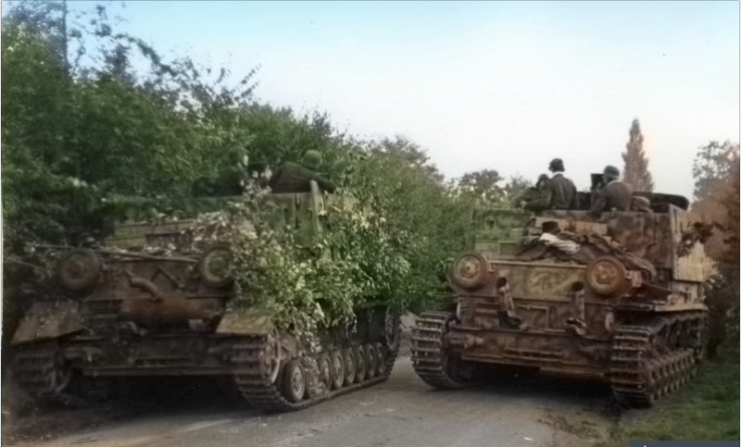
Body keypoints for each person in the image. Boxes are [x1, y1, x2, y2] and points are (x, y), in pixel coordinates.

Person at [268, 150, 337, 194]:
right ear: (317, 164)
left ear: (303, 159)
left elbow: (271, 183)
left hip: (275, 201)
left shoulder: (286, 165)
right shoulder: (312, 176)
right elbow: (332, 187)